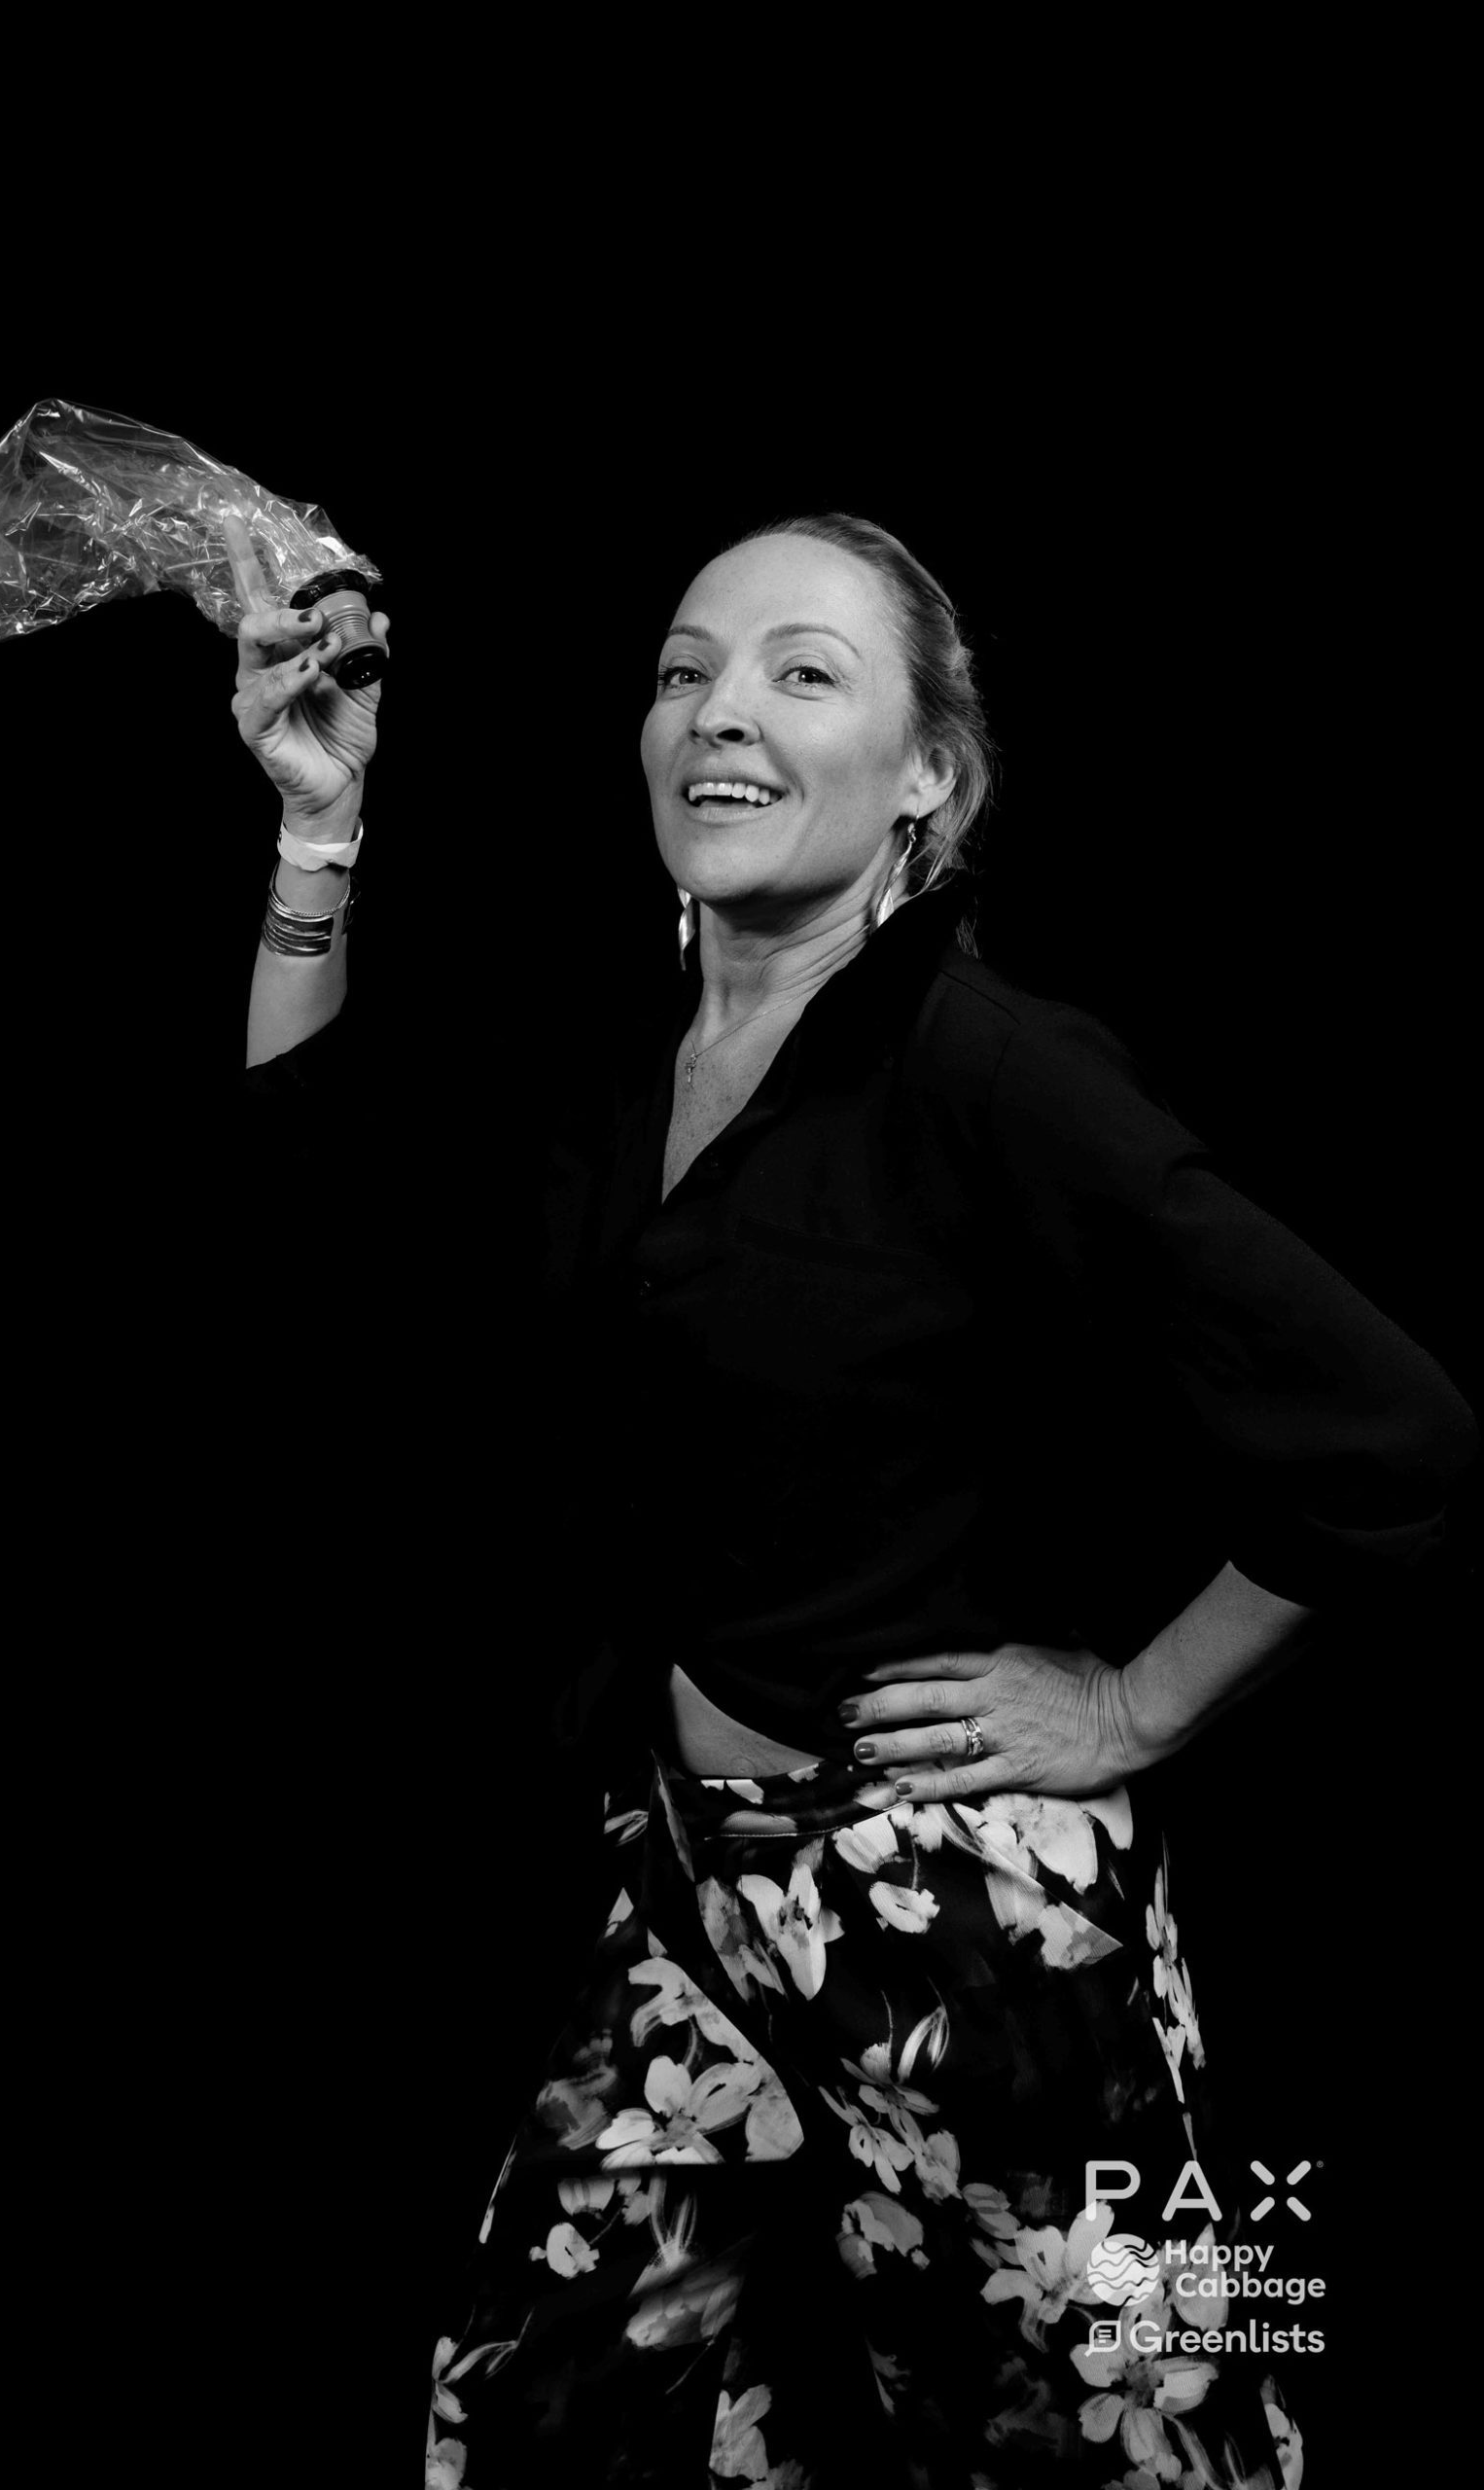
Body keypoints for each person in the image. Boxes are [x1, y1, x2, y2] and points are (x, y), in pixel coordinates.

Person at [222, 513, 1473, 2486]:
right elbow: (310, 1188)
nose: (717, 711)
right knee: (535, 2418)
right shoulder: (627, 1049)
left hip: (989, 1934)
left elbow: (1391, 1431)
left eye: (801, 673)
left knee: (1162, 2435)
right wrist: (319, 828)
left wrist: (1131, 1704)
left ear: (925, 777)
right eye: (682, 669)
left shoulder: (996, 1068)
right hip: (686, 1893)